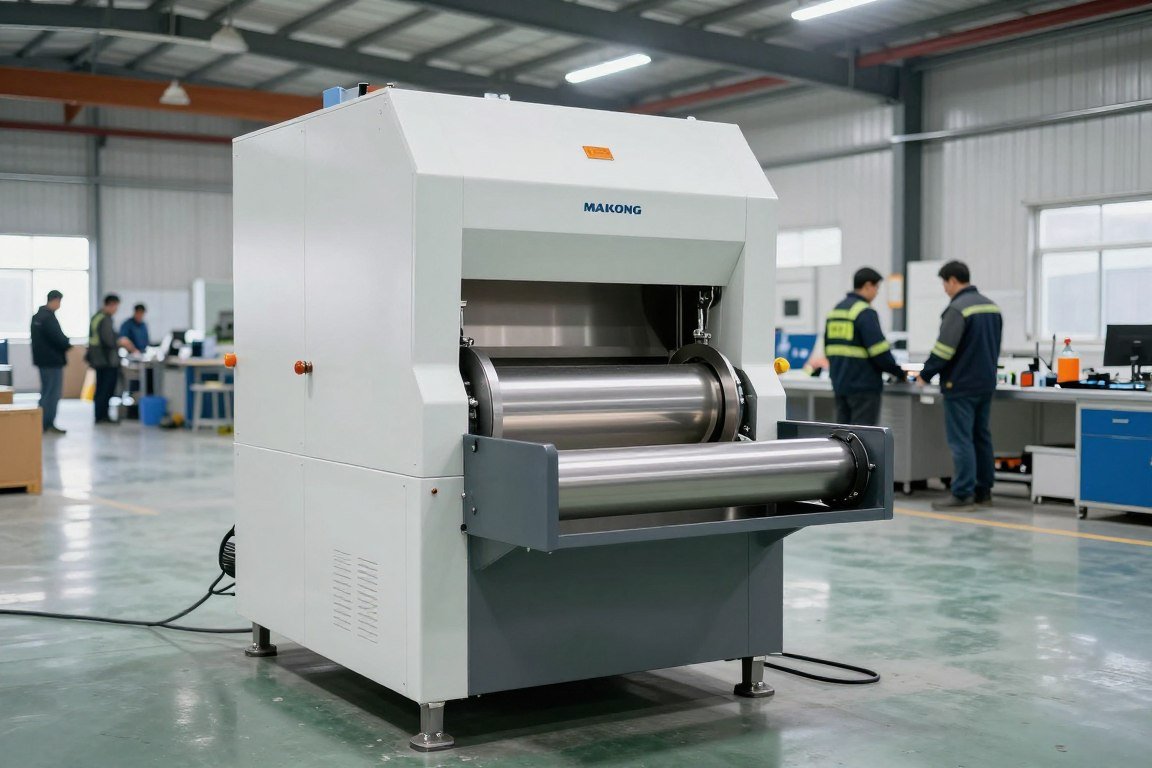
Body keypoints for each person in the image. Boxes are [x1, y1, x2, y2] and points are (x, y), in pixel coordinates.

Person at [917, 260, 1003, 511]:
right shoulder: (992, 307)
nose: (945, 288)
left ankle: (963, 493)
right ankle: (983, 491)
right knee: (981, 437)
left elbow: (944, 350)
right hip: (985, 383)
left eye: (945, 283)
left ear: (953, 280)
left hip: (961, 385)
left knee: (961, 440)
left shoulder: (958, 309)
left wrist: (925, 374)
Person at [823, 267, 905, 426]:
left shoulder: (836, 311)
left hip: (840, 384)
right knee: (862, 437)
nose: (877, 293)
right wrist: (899, 372)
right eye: (876, 288)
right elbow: (879, 351)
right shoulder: (864, 312)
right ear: (868, 286)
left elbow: (828, 348)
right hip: (863, 387)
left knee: (843, 435)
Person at [30, 290, 72, 434]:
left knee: (46, 391)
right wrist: (67, 343)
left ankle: (41, 423)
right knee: (52, 393)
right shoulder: (48, 318)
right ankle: (46, 423)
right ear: (55, 300)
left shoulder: (37, 317)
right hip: (52, 362)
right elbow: (59, 339)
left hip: (43, 361)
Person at [87, 293, 122, 425]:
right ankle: (103, 416)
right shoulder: (105, 319)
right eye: (116, 307)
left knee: (100, 388)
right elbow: (108, 340)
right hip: (107, 360)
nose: (116, 310)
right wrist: (120, 341)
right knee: (106, 389)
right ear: (111, 305)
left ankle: (99, 415)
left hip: (98, 360)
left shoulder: (96, 317)